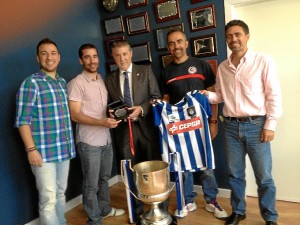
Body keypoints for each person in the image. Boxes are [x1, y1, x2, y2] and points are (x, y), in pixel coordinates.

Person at [203, 20, 282, 225]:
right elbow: (220, 95)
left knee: (264, 177)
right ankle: (239, 211)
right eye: (229, 36)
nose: (233, 39)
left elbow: (273, 94)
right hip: (229, 127)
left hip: (257, 126)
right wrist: (206, 95)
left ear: (247, 36)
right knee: (235, 174)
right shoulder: (223, 67)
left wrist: (270, 125)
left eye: (237, 34)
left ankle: (270, 217)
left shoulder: (263, 61)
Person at [158, 28, 228, 220]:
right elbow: (166, 100)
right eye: (171, 43)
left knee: (206, 165)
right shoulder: (166, 72)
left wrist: (213, 121)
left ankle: (211, 201)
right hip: (179, 129)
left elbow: (213, 97)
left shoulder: (201, 65)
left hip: (201, 126)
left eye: (179, 41)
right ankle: (188, 200)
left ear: (186, 43)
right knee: (184, 167)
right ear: (168, 47)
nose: (176, 46)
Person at [15, 38, 76, 225]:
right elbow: (22, 121)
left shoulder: (62, 82)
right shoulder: (31, 83)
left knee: (60, 193)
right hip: (43, 153)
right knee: (48, 200)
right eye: (44, 53)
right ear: (37, 58)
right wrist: (31, 150)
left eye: (53, 53)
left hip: (63, 150)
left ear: (59, 57)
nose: (49, 57)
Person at [67, 43, 125, 225]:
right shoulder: (76, 83)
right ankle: (94, 219)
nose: (92, 60)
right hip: (88, 142)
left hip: (106, 139)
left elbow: (100, 109)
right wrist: (102, 122)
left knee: (104, 178)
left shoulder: (101, 79)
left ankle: (105, 209)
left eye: (95, 56)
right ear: (80, 60)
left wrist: (110, 115)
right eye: (87, 57)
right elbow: (75, 115)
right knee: (91, 184)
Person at [104, 40, 162, 220]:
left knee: (153, 171)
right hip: (124, 134)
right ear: (113, 58)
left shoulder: (145, 71)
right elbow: (108, 105)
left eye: (124, 54)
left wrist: (141, 109)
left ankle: (159, 207)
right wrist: (110, 111)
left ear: (131, 54)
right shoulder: (109, 79)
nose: (121, 58)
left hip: (147, 130)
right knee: (130, 172)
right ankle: (135, 210)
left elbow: (156, 97)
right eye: (117, 55)